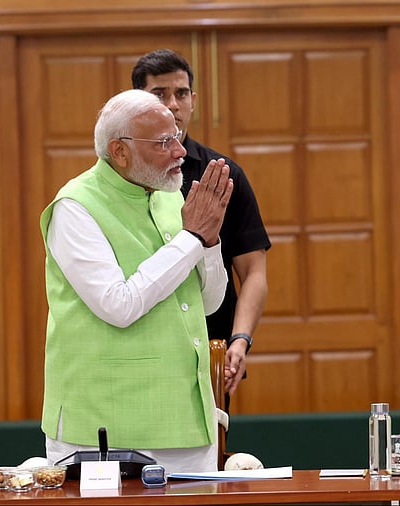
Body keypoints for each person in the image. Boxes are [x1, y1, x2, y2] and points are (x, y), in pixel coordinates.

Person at [40, 89, 233, 473]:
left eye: (177, 136)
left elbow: (208, 304)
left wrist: (209, 243)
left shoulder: (171, 197)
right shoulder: (75, 207)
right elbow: (119, 305)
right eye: (164, 142)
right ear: (120, 151)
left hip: (187, 419)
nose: (180, 151)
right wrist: (192, 239)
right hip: (104, 424)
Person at [132, 49, 270, 401]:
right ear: (137, 104)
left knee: (213, 455)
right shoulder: (125, 177)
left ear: (193, 100)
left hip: (209, 350)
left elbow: (253, 270)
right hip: (138, 350)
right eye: (159, 94)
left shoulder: (222, 174)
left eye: (180, 94)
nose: (173, 104)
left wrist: (241, 340)